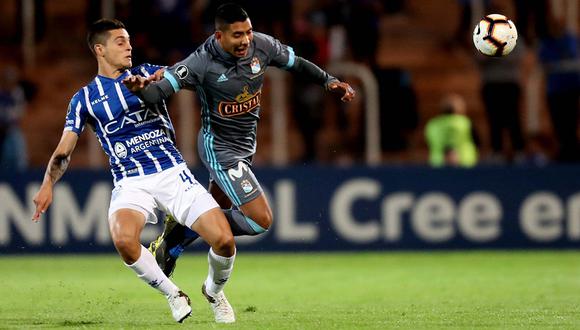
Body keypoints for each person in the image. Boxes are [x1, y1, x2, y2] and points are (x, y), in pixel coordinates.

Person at [123, 3, 355, 276]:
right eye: (237, 35)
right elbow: (157, 94)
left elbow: (296, 64)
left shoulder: (262, 46)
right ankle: (182, 231)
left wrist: (328, 81)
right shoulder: (201, 62)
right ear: (219, 36)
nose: (245, 40)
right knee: (259, 220)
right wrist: (141, 90)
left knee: (216, 205)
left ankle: (176, 239)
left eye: (248, 32)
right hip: (219, 147)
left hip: (245, 145)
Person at [31, 19, 237, 324]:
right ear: (99, 49)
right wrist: (47, 184)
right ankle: (173, 294)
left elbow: (189, 76)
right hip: (131, 181)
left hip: (172, 172)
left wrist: (173, 76)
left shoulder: (147, 73)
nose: (129, 46)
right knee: (124, 239)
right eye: (120, 41)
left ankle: (213, 291)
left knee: (225, 242)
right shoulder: (83, 99)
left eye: (129, 40)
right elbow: (64, 150)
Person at [425, 94, 478, 167]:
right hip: (466, 163)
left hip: (438, 163)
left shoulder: (432, 125)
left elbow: (428, 143)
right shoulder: (466, 123)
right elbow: (477, 141)